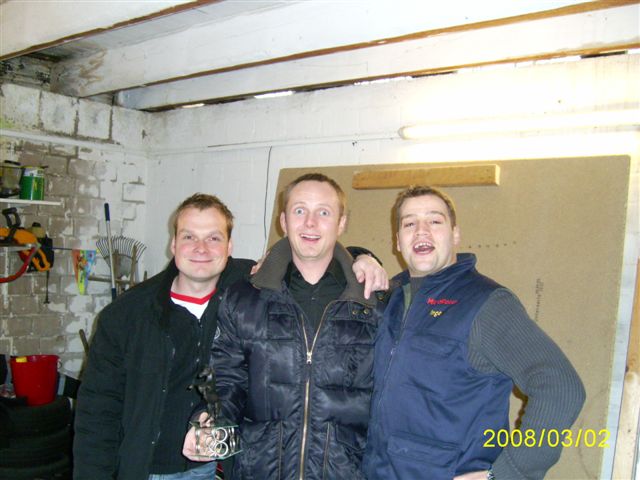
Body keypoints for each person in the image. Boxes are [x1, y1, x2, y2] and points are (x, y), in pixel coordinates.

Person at [73, 192, 386, 480]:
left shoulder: (252, 291)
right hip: (151, 470)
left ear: (230, 247)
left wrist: (362, 258)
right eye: (189, 237)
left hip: (226, 469)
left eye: (214, 237)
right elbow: (97, 411)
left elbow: (313, 257)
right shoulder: (127, 314)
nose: (201, 248)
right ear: (173, 244)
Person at [363, 186, 586, 480]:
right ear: (398, 241)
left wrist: (508, 473)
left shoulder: (486, 303)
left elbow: (561, 387)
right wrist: (359, 255)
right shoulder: (390, 299)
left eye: (434, 221)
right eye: (409, 223)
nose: (421, 231)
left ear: (455, 234)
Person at [183, 173, 385, 479]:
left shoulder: (373, 305)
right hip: (260, 471)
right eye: (300, 210)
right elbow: (227, 378)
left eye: (324, 212)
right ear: (283, 221)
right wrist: (211, 417)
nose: (310, 223)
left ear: (341, 223)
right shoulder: (245, 298)